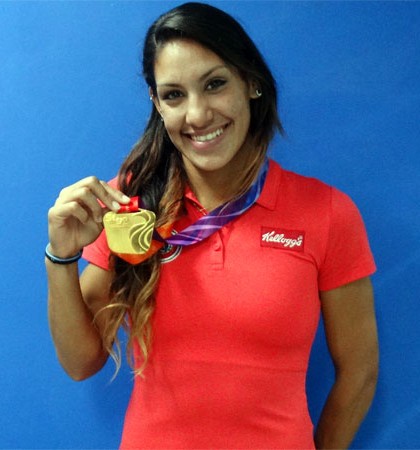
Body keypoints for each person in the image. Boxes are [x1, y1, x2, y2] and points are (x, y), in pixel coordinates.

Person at [46, 2, 379, 449]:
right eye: (174, 95)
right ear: (156, 104)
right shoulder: (127, 205)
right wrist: (61, 257)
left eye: (215, 84)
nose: (198, 114)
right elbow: (80, 363)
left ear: (251, 83)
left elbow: (359, 370)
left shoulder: (327, 212)